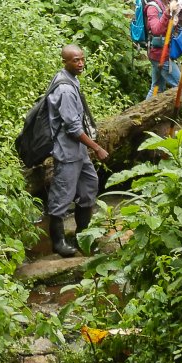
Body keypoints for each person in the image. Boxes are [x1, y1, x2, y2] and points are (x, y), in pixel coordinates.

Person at [44, 44, 108, 257]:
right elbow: (72, 128)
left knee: (89, 186)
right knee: (62, 196)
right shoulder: (65, 89)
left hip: (79, 151)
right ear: (65, 62)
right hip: (67, 151)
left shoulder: (71, 79)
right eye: (75, 60)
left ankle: (83, 236)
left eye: (82, 59)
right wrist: (96, 147)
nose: (80, 64)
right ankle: (58, 242)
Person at [145, 0, 181, 96]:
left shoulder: (167, 3)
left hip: (163, 52)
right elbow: (156, 29)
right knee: (181, 86)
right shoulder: (153, 8)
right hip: (160, 55)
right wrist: (168, 12)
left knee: (156, 88)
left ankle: (144, 113)